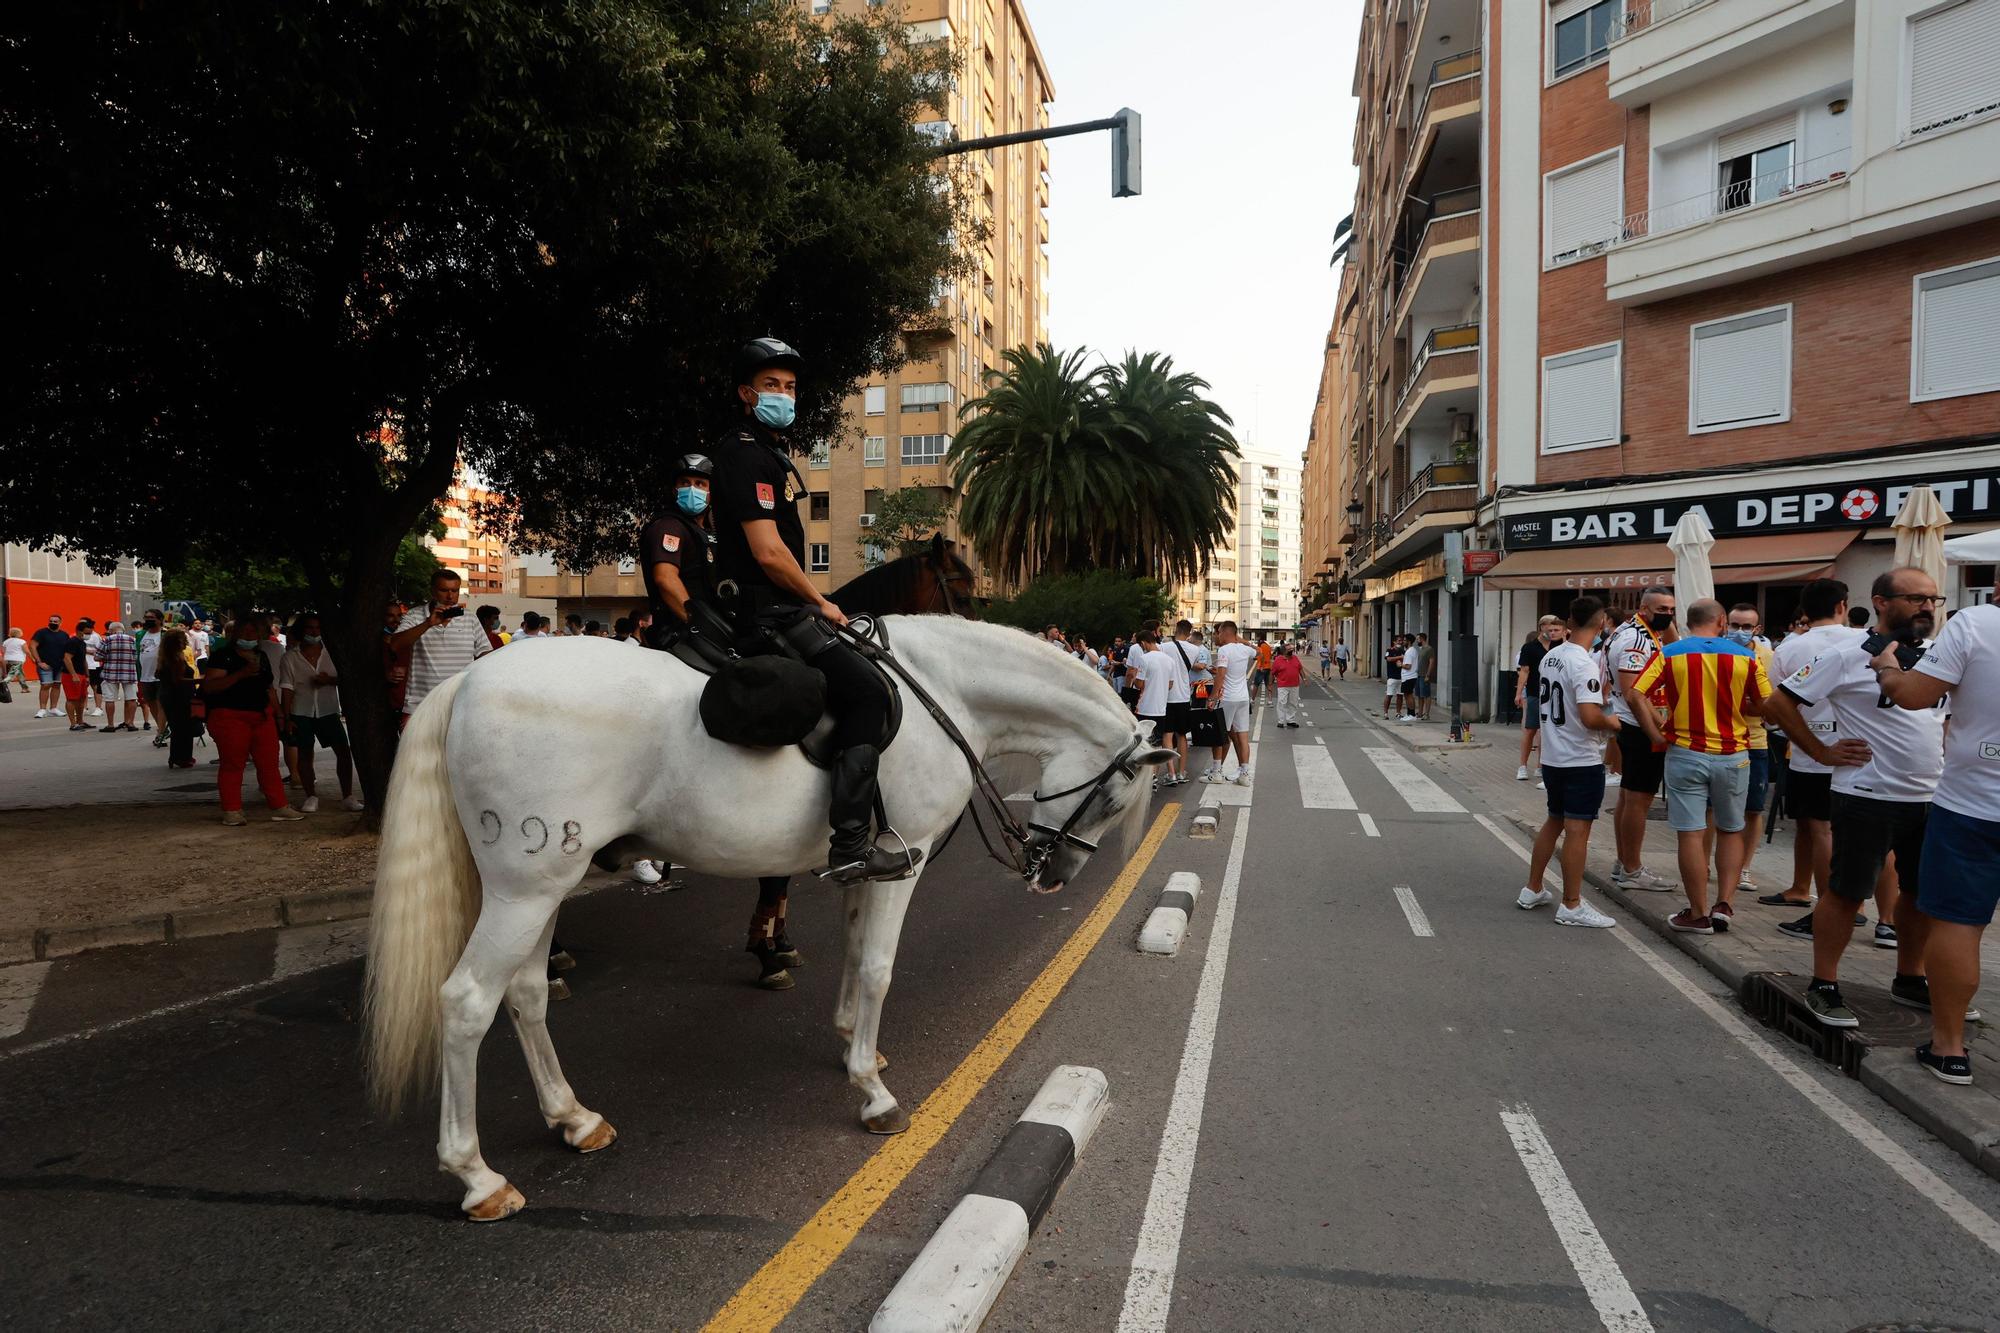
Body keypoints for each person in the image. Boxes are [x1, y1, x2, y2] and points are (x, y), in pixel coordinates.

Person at [710, 337, 915, 882]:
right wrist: (820, 602)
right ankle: (849, 844)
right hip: (767, 614)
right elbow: (769, 552)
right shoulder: (747, 453)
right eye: (772, 386)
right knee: (870, 691)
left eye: (791, 387)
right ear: (746, 394)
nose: (784, 395)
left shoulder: (767, 453)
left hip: (777, 606)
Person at [1758, 568, 1959, 1031]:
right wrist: (1820, 751)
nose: (1928, 607)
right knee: (1848, 893)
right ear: (1882, 602)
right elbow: (1778, 705)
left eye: (1934, 599)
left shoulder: (1938, 655)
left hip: (1932, 796)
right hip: (1867, 793)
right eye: (1916, 599)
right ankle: (1823, 985)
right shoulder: (1846, 654)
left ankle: (1910, 977)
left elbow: (1941, 720)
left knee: (1919, 893)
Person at [1871, 596, 1999, 1084]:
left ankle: (1949, 1048)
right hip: (1972, 804)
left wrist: (1886, 667)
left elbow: (1914, 695)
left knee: (1958, 924)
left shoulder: (1977, 622)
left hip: (1973, 806)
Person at [1631, 599, 1771, 935]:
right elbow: (1766, 705)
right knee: (1731, 829)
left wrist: (1656, 735)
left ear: (1686, 621)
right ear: (1722, 621)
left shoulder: (1670, 653)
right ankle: (1724, 903)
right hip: (1735, 754)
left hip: (1685, 752)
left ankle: (1697, 913)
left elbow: (1637, 694)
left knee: (1691, 834)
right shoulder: (1747, 657)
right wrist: (1739, 704)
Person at [1517, 596, 1620, 927]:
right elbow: (1590, 717)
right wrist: (1614, 722)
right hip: (1580, 757)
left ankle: (1533, 888)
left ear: (1570, 622)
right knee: (1578, 831)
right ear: (1602, 623)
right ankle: (1572, 905)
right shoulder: (1584, 662)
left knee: (1554, 821)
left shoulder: (1551, 656)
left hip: (1553, 756)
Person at [1763, 579, 1847, 910]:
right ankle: (1801, 888)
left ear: (1804, 612)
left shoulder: (1788, 648)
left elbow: (1773, 709)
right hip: (1854, 750)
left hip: (1807, 748)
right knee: (1815, 828)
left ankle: (1829, 908)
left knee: (1817, 827)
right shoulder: (1864, 642)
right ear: (1842, 606)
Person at [1606, 586, 1680, 892]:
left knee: (1628, 796)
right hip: (1638, 726)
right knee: (1638, 799)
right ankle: (1632, 870)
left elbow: (1677, 646)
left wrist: (1664, 621)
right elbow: (1633, 693)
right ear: (1643, 607)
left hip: (1632, 722)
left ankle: (1624, 862)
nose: (1668, 615)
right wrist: (1655, 733)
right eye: (1661, 609)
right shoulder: (1636, 639)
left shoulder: (1637, 628)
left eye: (1671, 609)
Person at [203, 620, 305, 826]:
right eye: (245, 631)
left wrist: (279, 715)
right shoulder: (223, 656)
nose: (249, 636)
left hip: (261, 715)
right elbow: (210, 686)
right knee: (233, 764)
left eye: (253, 632)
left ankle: (279, 805)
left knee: (269, 763)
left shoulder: (262, 656)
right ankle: (232, 810)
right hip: (230, 715)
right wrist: (241, 674)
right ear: (235, 634)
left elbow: (269, 688)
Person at [1715, 603, 1777, 895]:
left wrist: (1735, 703)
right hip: (1718, 740)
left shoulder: (1767, 656)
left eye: (1745, 627)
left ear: (1757, 629)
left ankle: (1744, 868)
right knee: (1712, 809)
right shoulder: (1714, 652)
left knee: (1753, 810)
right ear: (1724, 624)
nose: (1738, 632)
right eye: (1734, 625)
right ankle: (1703, 863)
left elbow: (1769, 705)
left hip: (1754, 741)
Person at [389, 569, 492, 729]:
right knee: (418, 754)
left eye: (455, 590)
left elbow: (486, 655)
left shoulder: (469, 618)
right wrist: (428, 623)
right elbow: (395, 644)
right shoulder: (415, 616)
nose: (450, 596)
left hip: (460, 705)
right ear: (432, 590)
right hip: (420, 706)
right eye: (444, 590)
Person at [281, 613, 363, 813]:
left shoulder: (332, 653)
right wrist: (287, 717)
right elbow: (286, 689)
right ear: (302, 630)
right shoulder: (290, 657)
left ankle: (347, 796)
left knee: (343, 751)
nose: (314, 632)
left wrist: (329, 681)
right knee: (305, 754)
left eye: (317, 628)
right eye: (310, 628)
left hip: (328, 709)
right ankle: (311, 795)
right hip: (301, 710)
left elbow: (347, 679)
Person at [1206, 621, 1256, 785]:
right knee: (1242, 736)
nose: (1217, 635)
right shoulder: (1245, 649)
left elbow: (1220, 676)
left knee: (1220, 736)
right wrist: (1242, 641)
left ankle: (1217, 773)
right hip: (1243, 697)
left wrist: (1212, 698)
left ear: (1226, 633)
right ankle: (1245, 774)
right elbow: (1260, 654)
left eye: (1219, 632)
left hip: (1227, 698)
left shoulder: (1224, 650)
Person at [1516, 616, 1563, 780]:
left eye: (1555, 629)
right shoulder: (1529, 647)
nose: (1552, 632)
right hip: (1535, 693)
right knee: (1530, 729)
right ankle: (1522, 766)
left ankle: (1541, 766)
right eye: (1549, 628)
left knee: (1547, 732)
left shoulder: (1559, 646)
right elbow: (1524, 671)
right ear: (1542, 627)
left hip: (1554, 695)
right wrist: (1519, 693)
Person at [1157, 619, 1201, 785]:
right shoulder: (1194, 649)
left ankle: (1171, 774)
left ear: (1176, 629)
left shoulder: (1164, 646)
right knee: (1181, 735)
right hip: (1184, 697)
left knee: (1167, 735)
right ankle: (1182, 772)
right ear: (1189, 633)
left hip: (1167, 696)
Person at [1127, 628, 1175, 780]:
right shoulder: (1169, 660)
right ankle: (1154, 776)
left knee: (1143, 744)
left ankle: (1146, 778)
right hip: (1161, 708)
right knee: (1157, 745)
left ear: (1143, 643)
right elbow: (1170, 685)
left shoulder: (1144, 659)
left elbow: (1140, 684)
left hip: (1145, 706)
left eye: (1141, 646)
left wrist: (1135, 679)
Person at [156, 628, 200, 769]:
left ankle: (179, 756)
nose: (186, 642)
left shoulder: (168, 657)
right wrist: (199, 681)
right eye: (183, 639)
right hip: (178, 697)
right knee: (182, 727)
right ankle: (182, 757)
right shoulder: (173, 658)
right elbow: (178, 680)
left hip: (173, 696)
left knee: (179, 727)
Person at [96, 620, 141, 732]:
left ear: (110, 631)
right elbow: (136, 657)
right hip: (129, 673)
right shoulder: (132, 640)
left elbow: (97, 657)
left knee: (110, 699)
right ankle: (130, 723)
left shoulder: (106, 640)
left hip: (110, 673)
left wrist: (109, 657)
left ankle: (110, 725)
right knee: (131, 698)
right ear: (123, 630)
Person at [136, 610, 167, 738]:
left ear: (159, 620)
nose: (148, 620)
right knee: (151, 703)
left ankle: (161, 732)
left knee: (161, 705)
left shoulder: (165, 634)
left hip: (161, 676)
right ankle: (162, 728)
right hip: (144, 675)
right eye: (146, 617)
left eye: (152, 618)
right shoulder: (141, 635)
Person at [32, 615, 69, 718]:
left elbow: (67, 650)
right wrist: (39, 662)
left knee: (57, 685)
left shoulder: (64, 635)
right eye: (51, 621)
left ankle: (53, 708)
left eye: (55, 621)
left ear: (60, 622)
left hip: (60, 665)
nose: (53, 622)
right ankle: (42, 709)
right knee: (45, 685)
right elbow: (32, 646)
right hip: (45, 664)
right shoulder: (41, 633)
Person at [58, 619, 91, 730]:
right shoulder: (72, 642)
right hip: (70, 675)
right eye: (86, 633)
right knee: (72, 699)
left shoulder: (82, 643)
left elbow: (83, 659)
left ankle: (80, 721)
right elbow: (67, 658)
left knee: (82, 698)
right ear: (79, 631)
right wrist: (73, 674)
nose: (88, 635)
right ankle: (73, 724)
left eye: (90, 633)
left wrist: (87, 675)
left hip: (81, 674)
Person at [1272, 641, 1305, 727]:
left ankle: (1291, 720)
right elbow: (1273, 673)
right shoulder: (1278, 660)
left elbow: (1300, 669)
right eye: (1289, 649)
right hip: (1283, 685)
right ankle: (1281, 721)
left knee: (1293, 703)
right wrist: (1270, 684)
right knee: (1282, 703)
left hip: (1294, 685)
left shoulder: (1295, 658)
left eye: (1291, 648)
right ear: (1284, 651)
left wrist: (1304, 678)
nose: (1291, 650)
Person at [1397, 633, 1424, 722]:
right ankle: (1409, 713)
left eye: (1404, 640)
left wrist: (1401, 665)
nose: (1403, 642)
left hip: (1409, 677)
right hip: (1408, 677)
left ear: (1409, 641)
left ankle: (1411, 714)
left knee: (1408, 695)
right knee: (1407, 695)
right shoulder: (1412, 650)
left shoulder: (1409, 652)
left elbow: (1408, 666)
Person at [1382, 634, 1405, 718]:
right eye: (1398, 641)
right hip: (1392, 677)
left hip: (1401, 677)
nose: (1400, 642)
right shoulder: (1390, 650)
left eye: (1401, 641)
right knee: (1389, 695)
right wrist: (1400, 657)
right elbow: (1388, 659)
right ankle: (1385, 713)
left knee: (1400, 695)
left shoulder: (1403, 651)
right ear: (1394, 642)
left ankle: (1398, 713)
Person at [2, 626, 25, 697]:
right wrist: (33, 658)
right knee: (12, 675)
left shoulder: (6, 641)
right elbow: (26, 651)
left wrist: (5, 658)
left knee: (20, 673)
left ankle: (25, 688)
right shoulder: (22, 641)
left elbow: (3, 651)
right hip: (18, 659)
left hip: (8, 659)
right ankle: (2, 684)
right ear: (19, 633)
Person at [1253, 636, 1274, 704]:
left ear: (1260, 640)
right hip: (1268, 667)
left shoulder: (1260, 647)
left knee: (1256, 684)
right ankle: (1270, 700)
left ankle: (1252, 700)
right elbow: (1269, 656)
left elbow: (1261, 656)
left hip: (1261, 668)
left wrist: (1261, 665)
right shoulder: (1268, 646)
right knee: (1268, 684)